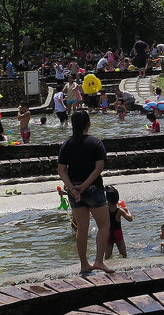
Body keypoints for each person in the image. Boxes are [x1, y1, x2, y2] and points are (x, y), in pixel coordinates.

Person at [57, 111, 114, 274]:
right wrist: (84, 186)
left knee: (82, 228)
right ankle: (98, 261)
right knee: (104, 225)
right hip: (93, 189)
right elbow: (99, 167)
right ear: (88, 123)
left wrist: (72, 187)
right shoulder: (95, 142)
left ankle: (84, 264)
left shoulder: (66, 144)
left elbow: (61, 170)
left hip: (74, 192)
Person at [103, 185, 133, 259]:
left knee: (107, 255)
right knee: (124, 254)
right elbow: (130, 219)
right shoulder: (119, 210)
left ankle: (107, 265)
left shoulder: (105, 209)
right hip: (118, 233)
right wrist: (127, 210)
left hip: (108, 233)